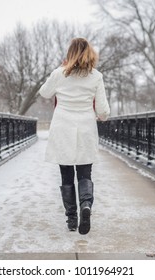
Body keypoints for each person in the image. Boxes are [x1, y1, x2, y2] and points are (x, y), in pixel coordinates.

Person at [38, 38, 110, 235]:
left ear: (69, 54)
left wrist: (60, 69)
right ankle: (86, 204)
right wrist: (100, 114)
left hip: (63, 127)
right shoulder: (96, 77)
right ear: (90, 53)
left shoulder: (59, 74)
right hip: (85, 127)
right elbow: (103, 111)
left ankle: (71, 218)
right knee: (85, 173)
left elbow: (44, 93)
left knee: (66, 174)